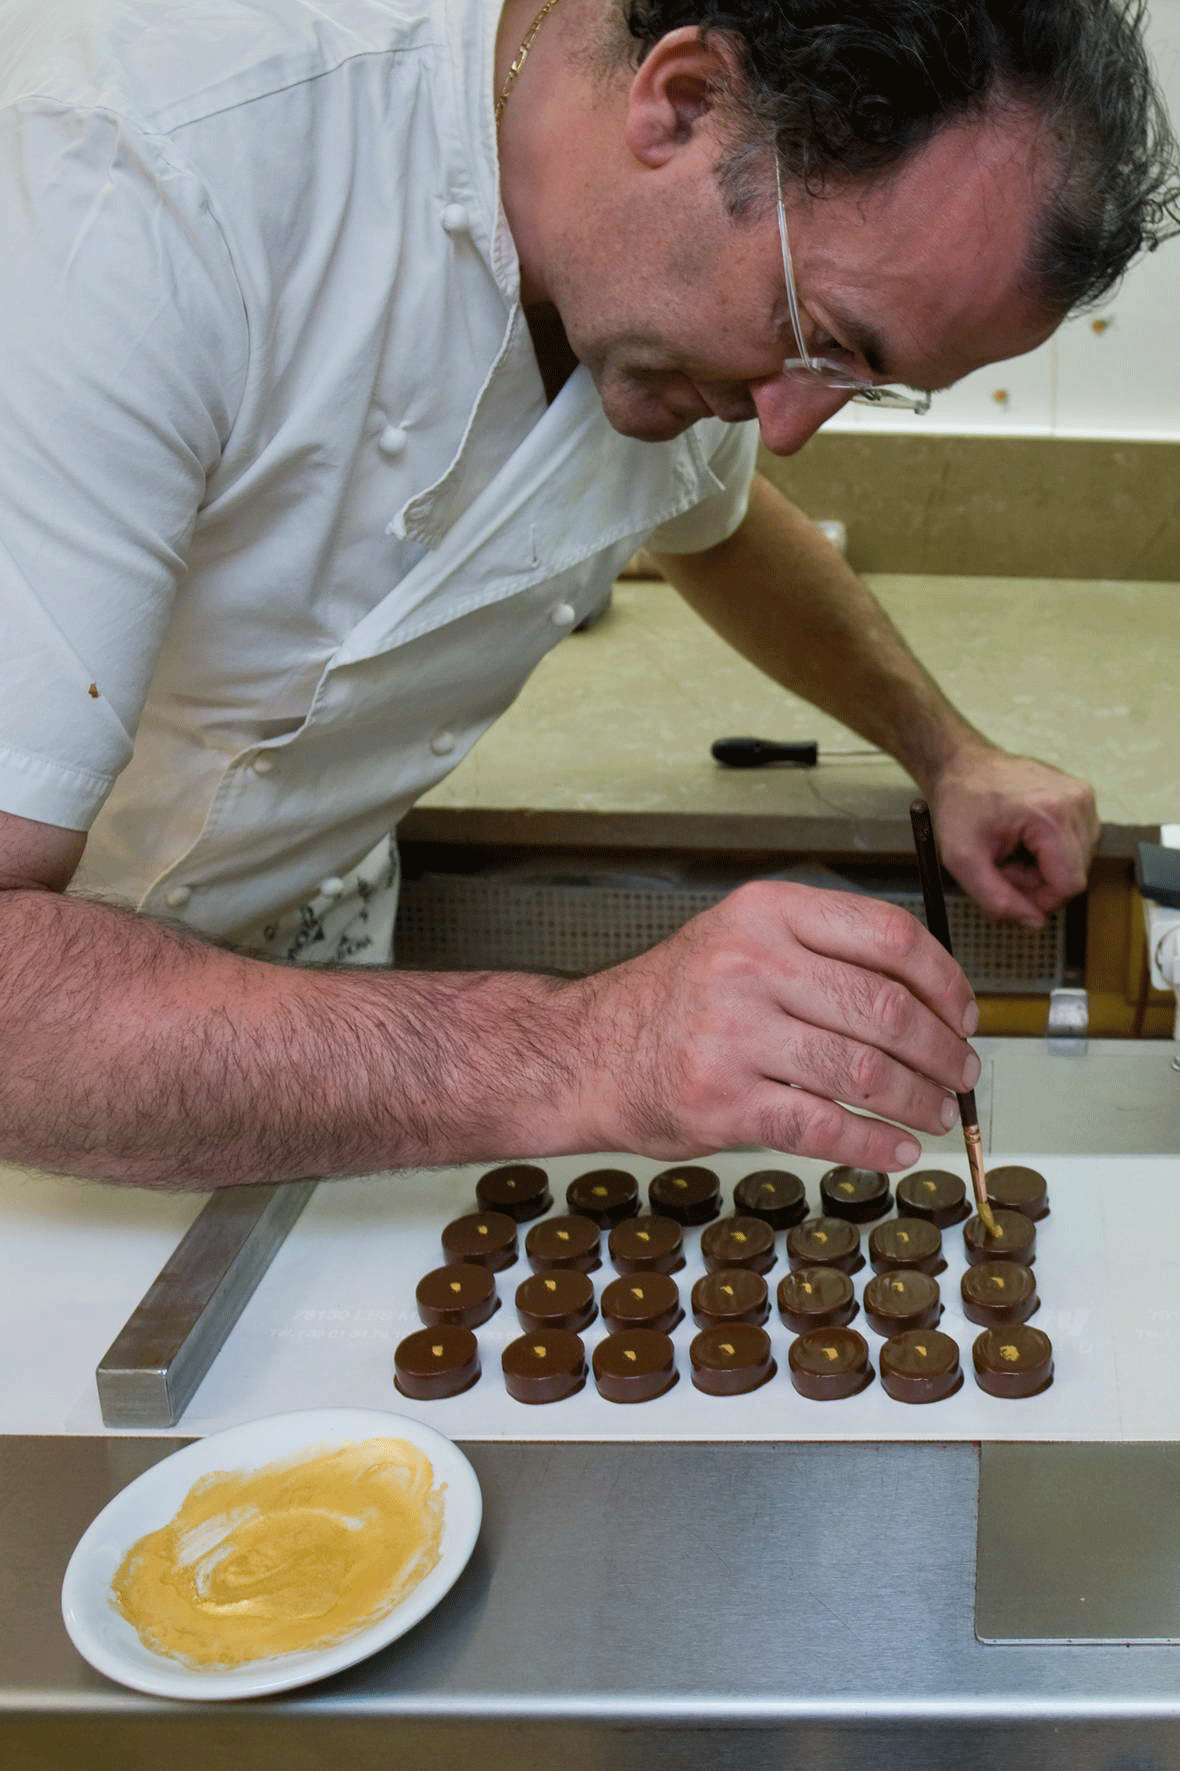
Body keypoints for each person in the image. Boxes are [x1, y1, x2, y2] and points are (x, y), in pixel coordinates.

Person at [0, 0, 1175, 1188]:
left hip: (294, 977)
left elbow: (717, 524)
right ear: (683, 102)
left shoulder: (664, 299)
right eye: (819, 336)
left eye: (866, 383)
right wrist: (581, 1050)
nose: (792, 425)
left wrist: (947, 752)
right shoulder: (130, 171)